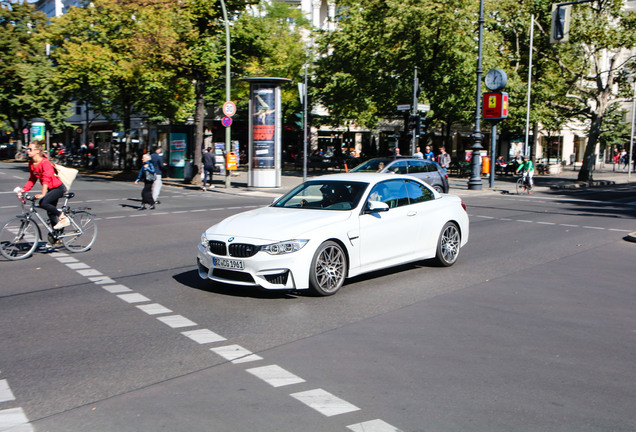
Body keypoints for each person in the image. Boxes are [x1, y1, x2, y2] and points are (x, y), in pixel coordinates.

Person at [19, 140, 70, 230]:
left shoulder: (45, 162)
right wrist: (24, 190)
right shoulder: (31, 163)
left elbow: (46, 178)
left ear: (37, 151)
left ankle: (63, 217)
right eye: (27, 149)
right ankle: (57, 238)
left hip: (58, 188)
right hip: (51, 189)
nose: (28, 151)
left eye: (30, 149)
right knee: (51, 213)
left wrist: (43, 194)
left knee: (43, 203)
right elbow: (32, 178)